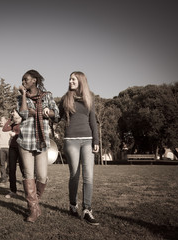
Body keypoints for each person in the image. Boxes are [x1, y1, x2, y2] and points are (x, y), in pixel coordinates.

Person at [17, 69, 59, 222]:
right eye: (22, 81)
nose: (23, 83)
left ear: (34, 80)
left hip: (41, 141)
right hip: (25, 140)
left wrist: (44, 112)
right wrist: (23, 95)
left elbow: (57, 114)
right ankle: (33, 209)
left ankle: (34, 202)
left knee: (41, 176)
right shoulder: (21, 97)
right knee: (28, 175)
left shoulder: (46, 96)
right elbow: (22, 114)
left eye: (25, 80)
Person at [58, 71, 100, 225]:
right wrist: (46, 114)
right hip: (71, 140)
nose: (70, 81)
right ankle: (73, 206)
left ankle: (87, 209)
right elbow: (57, 117)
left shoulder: (89, 97)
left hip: (88, 140)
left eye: (73, 79)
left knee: (88, 175)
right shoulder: (65, 98)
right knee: (75, 175)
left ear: (81, 80)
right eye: (69, 79)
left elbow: (93, 121)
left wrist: (96, 139)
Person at [2, 110, 24, 198]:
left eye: (14, 113)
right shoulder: (13, 124)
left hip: (22, 147)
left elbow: (26, 132)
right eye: (14, 117)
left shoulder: (24, 123)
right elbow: (4, 129)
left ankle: (29, 191)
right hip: (13, 148)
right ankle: (13, 190)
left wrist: (16, 133)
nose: (15, 120)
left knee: (24, 169)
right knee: (11, 169)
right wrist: (10, 119)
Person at [0, 116, 10, 183]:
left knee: (10, 164)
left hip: (9, 148)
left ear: (6, 121)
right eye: (0, 120)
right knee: (2, 164)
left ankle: (7, 174)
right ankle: (3, 178)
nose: (0, 122)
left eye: (2, 120)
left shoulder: (10, 128)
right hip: (0, 148)